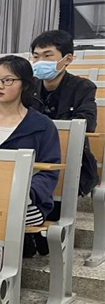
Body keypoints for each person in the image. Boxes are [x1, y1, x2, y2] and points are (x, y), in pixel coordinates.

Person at [0, 56, 61, 232]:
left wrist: (26, 194)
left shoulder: (42, 125)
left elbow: (48, 172)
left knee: (2, 220)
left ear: (25, 85)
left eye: (8, 80)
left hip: (26, 202)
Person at [32, 29, 99, 196]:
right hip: (31, 153)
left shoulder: (83, 87)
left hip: (69, 156)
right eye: (36, 56)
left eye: (47, 56)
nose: (40, 61)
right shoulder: (27, 87)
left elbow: (87, 124)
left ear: (67, 59)